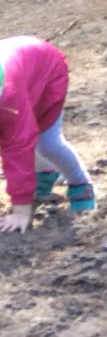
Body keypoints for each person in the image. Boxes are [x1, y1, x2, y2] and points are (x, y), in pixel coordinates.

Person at [0, 36, 94, 232]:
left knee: (46, 142)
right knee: (26, 135)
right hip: (25, 71)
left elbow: (18, 146)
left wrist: (21, 209)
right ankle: (46, 173)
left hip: (47, 72)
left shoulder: (9, 100)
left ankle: (80, 183)